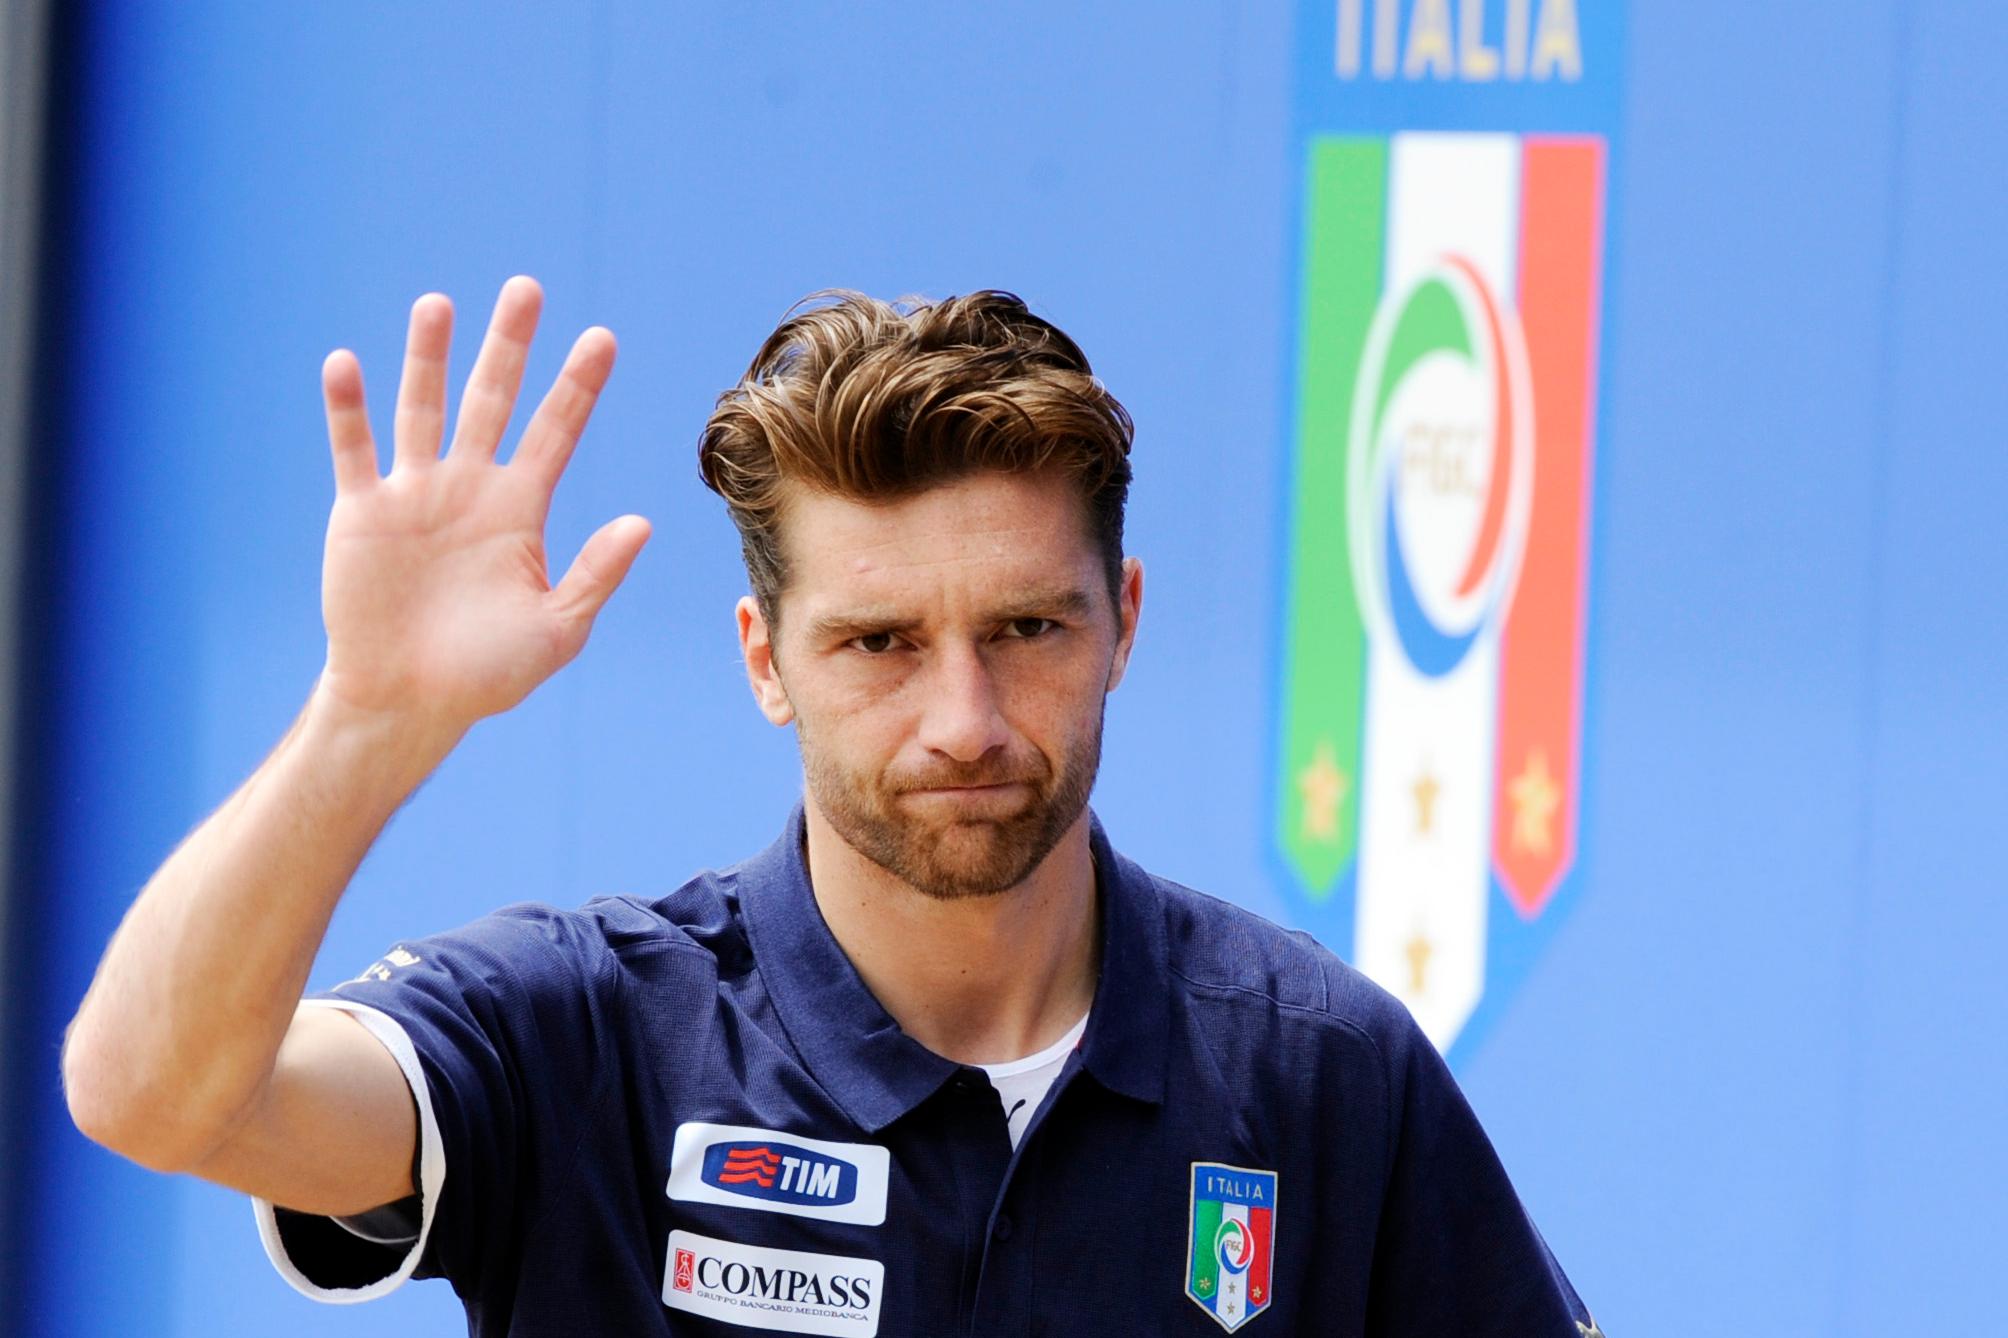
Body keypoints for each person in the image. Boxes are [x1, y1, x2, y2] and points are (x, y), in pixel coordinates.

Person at [62, 278, 1598, 1336]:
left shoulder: (1318, 1066)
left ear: (1124, 620)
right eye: (879, 643)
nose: (965, 719)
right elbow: (151, 1095)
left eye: (1028, 628)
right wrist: (364, 723)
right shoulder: (581, 1032)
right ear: (766, 659)